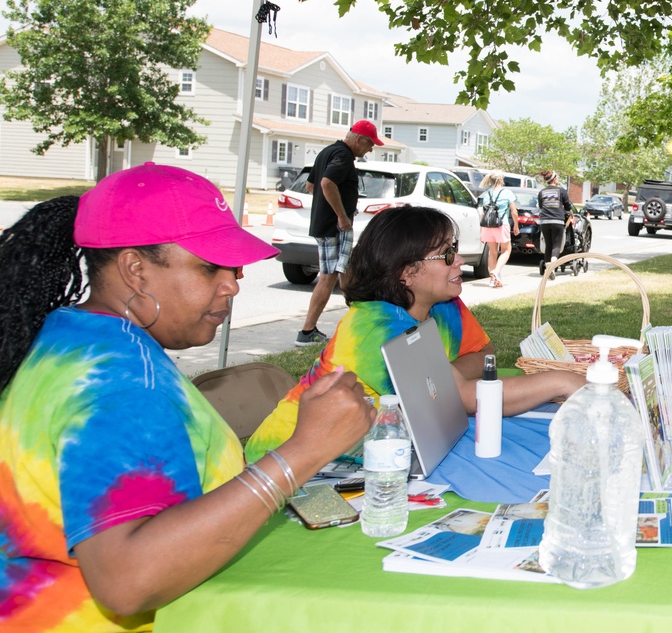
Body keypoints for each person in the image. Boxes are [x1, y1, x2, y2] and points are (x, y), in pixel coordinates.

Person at [0, 164, 375, 632]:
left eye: (234, 268)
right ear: (135, 269)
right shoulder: (125, 381)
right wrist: (303, 451)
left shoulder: (69, 336)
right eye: (209, 267)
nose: (233, 285)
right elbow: (126, 581)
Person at [246, 204, 584, 461]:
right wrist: (560, 380)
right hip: (292, 461)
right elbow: (463, 398)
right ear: (407, 273)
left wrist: (442, 372)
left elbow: (487, 356)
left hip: (369, 454)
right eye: (447, 254)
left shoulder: (441, 303)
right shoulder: (373, 327)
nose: (459, 261)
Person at [295, 119, 383, 346]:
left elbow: (310, 185)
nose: (370, 149)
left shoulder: (328, 151)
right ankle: (307, 332)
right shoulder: (343, 156)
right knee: (328, 276)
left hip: (326, 224)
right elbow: (326, 183)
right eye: (370, 144)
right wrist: (342, 216)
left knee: (346, 270)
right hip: (335, 226)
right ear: (359, 139)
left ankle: (361, 320)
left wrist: (326, 209)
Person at [477, 170, 519, 288]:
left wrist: (481, 232)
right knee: (506, 250)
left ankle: (492, 280)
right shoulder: (507, 193)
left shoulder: (487, 194)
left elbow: (482, 213)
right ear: (500, 180)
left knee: (492, 252)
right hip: (501, 225)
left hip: (488, 226)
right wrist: (516, 225)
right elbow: (514, 212)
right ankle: (496, 271)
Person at [536, 169, 573, 279]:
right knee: (556, 245)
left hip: (544, 221)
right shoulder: (561, 191)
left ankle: (548, 267)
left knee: (548, 244)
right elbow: (568, 206)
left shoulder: (541, 192)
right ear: (555, 179)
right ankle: (552, 264)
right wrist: (568, 212)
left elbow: (541, 206)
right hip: (557, 221)